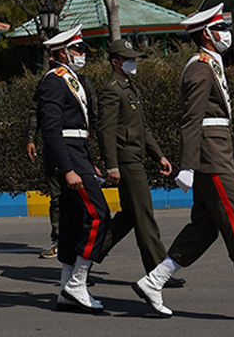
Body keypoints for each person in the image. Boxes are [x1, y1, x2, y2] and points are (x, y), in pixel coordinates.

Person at [132, 5, 234, 322]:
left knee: (204, 228)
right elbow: (192, 120)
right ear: (207, 34)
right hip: (211, 156)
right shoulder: (200, 68)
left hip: (216, 151)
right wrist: (188, 165)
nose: (225, 34)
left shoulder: (210, 64)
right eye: (220, 28)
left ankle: (153, 281)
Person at [94, 39, 182, 287]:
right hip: (126, 160)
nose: (133, 62)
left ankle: (86, 255)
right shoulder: (112, 89)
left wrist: (159, 155)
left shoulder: (130, 87)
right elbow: (107, 130)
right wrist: (112, 165)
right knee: (144, 216)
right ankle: (158, 272)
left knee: (129, 218)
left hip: (136, 157)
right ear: (115, 62)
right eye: (127, 58)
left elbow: (141, 128)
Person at [35, 26, 108, 313]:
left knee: (71, 222)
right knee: (99, 215)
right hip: (69, 158)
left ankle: (66, 290)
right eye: (78, 49)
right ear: (61, 52)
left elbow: (78, 129)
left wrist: (88, 162)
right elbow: (52, 131)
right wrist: (68, 169)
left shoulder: (70, 79)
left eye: (83, 49)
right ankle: (78, 281)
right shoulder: (53, 82)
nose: (83, 54)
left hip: (78, 155)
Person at [26, 95, 62, 259]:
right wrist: (31, 138)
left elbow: (92, 113)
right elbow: (36, 111)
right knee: (57, 198)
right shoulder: (49, 83)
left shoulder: (81, 82)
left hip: (77, 146)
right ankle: (59, 241)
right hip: (54, 147)